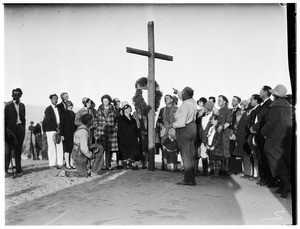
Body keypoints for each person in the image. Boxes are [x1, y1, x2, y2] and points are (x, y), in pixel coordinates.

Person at [261, 84, 293, 198]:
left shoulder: (275, 106)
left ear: (274, 95)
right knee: (284, 161)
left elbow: (270, 123)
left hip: (274, 140)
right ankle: (283, 187)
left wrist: (263, 131)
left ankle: (286, 185)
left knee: (276, 163)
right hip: (286, 139)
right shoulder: (289, 106)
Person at [250, 86, 275, 187]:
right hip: (259, 134)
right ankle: (264, 178)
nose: (259, 92)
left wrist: (255, 127)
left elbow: (265, 120)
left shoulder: (270, 104)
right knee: (260, 157)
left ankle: (269, 180)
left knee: (264, 158)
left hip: (264, 134)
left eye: (261, 90)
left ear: (265, 92)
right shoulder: (263, 105)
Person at [173, 87, 198, 185]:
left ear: (185, 95)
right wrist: (177, 92)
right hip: (192, 127)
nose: (181, 95)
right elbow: (183, 96)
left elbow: (181, 123)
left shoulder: (184, 106)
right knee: (190, 154)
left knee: (186, 155)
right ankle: (191, 178)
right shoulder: (193, 102)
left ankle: (188, 179)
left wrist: (173, 125)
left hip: (184, 129)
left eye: (182, 93)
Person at [5, 88, 26, 176]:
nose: (15, 96)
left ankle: (18, 169)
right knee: (8, 150)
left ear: (20, 95)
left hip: (20, 129)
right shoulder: (8, 106)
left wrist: (23, 128)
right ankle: (5, 170)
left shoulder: (22, 106)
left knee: (19, 149)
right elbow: (5, 120)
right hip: (11, 130)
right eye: (14, 94)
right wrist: (6, 130)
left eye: (17, 94)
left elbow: (23, 118)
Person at [94, 94, 118, 170]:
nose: (105, 102)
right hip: (101, 132)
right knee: (101, 149)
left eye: (107, 101)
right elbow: (95, 121)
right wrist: (99, 126)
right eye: (104, 101)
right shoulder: (99, 111)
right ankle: (101, 165)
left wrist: (115, 127)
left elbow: (117, 121)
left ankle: (108, 165)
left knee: (109, 149)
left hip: (111, 132)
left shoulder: (113, 111)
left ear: (109, 101)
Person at [156, 94, 178, 170]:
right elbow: (158, 121)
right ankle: (164, 164)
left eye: (167, 98)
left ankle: (173, 165)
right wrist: (161, 126)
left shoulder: (176, 108)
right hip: (164, 130)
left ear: (172, 100)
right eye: (165, 98)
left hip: (173, 129)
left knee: (173, 146)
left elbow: (179, 120)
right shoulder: (162, 110)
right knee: (164, 146)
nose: (166, 99)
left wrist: (174, 127)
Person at [42, 94, 63, 169]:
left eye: (57, 99)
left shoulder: (59, 109)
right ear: (51, 100)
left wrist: (60, 128)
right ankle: (52, 164)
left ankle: (60, 163)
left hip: (59, 129)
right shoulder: (48, 109)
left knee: (59, 145)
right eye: (54, 98)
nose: (56, 100)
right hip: (50, 129)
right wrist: (56, 127)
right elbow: (49, 120)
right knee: (51, 146)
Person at [117, 104, 141, 170]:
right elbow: (119, 129)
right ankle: (126, 164)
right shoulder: (121, 119)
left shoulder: (133, 119)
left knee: (133, 151)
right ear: (124, 110)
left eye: (129, 109)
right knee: (125, 151)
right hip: (124, 138)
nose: (129, 110)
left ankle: (132, 163)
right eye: (127, 109)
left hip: (133, 137)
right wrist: (121, 137)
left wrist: (137, 136)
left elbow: (136, 129)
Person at [233, 100, 252, 178]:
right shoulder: (244, 114)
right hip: (241, 137)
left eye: (244, 105)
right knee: (242, 156)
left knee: (246, 156)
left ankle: (248, 173)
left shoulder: (249, 114)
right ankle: (245, 172)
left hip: (245, 137)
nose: (242, 107)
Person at [246, 94, 263, 181]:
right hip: (252, 134)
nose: (251, 101)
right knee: (254, 155)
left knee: (257, 155)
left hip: (256, 134)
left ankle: (258, 175)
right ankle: (255, 173)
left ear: (256, 100)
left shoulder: (259, 110)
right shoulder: (253, 110)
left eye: (252, 99)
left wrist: (253, 129)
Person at [197, 101, 214, 176]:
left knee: (211, 155)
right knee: (203, 155)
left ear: (209, 108)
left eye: (205, 107)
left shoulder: (214, 117)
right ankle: (205, 171)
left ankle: (212, 171)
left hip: (211, 139)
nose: (204, 109)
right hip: (202, 139)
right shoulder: (202, 116)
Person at [60, 101, 77, 169]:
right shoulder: (63, 114)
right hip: (66, 134)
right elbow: (61, 125)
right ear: (66, 106)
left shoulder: (73, 114)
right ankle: (67, 164)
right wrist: (62, 135)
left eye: (71, 105)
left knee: (72, 149)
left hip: (73, 134)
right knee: (67, 149)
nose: (70, 107)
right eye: (69, 106)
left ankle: (71, 163)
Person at [217, 95, 231, 176]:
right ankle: (219, 170)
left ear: (224, 102)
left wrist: (222, 127)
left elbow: (228, 122)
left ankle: (225, 170)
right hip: (218, 134)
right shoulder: (218, 111)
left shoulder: (227, 110)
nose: (218, 102)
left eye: (220, 100)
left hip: (225, 133)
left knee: (225, 150)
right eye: (218, 100)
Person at [229, 96, 243, 175]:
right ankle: (230, 168)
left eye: (234, 100)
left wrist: (233, 133)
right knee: (230, 150)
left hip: (234, 133)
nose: (232, 101)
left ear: (238, 102)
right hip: (229, 133)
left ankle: (236, 169)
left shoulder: (239, 111)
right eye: (232, 100)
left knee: (235, 151)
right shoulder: (230, 110)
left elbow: (237, 123)